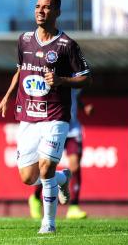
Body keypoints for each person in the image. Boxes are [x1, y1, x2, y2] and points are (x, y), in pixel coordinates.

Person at [0, 0, 92, 234]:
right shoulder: (24, 40)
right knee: (27, 177)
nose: (40, 11)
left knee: (46, 167)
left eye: (47, 8)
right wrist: (6, 98)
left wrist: (61, 80)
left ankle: (49, 224)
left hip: (55, 115)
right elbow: (20, 71)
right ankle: (61, 179)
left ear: (57, 12)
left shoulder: (67, 45)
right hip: (27, 115)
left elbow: (85, 78)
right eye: (38, 6)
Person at [29, 89, 94, 220]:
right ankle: (36, 198)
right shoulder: (49, 78)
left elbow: (75, 96)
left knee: (75, 166)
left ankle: (74, 207)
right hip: (53, 129)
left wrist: (84, 107)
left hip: (72, 130)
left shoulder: (72, 76)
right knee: (46, 166)